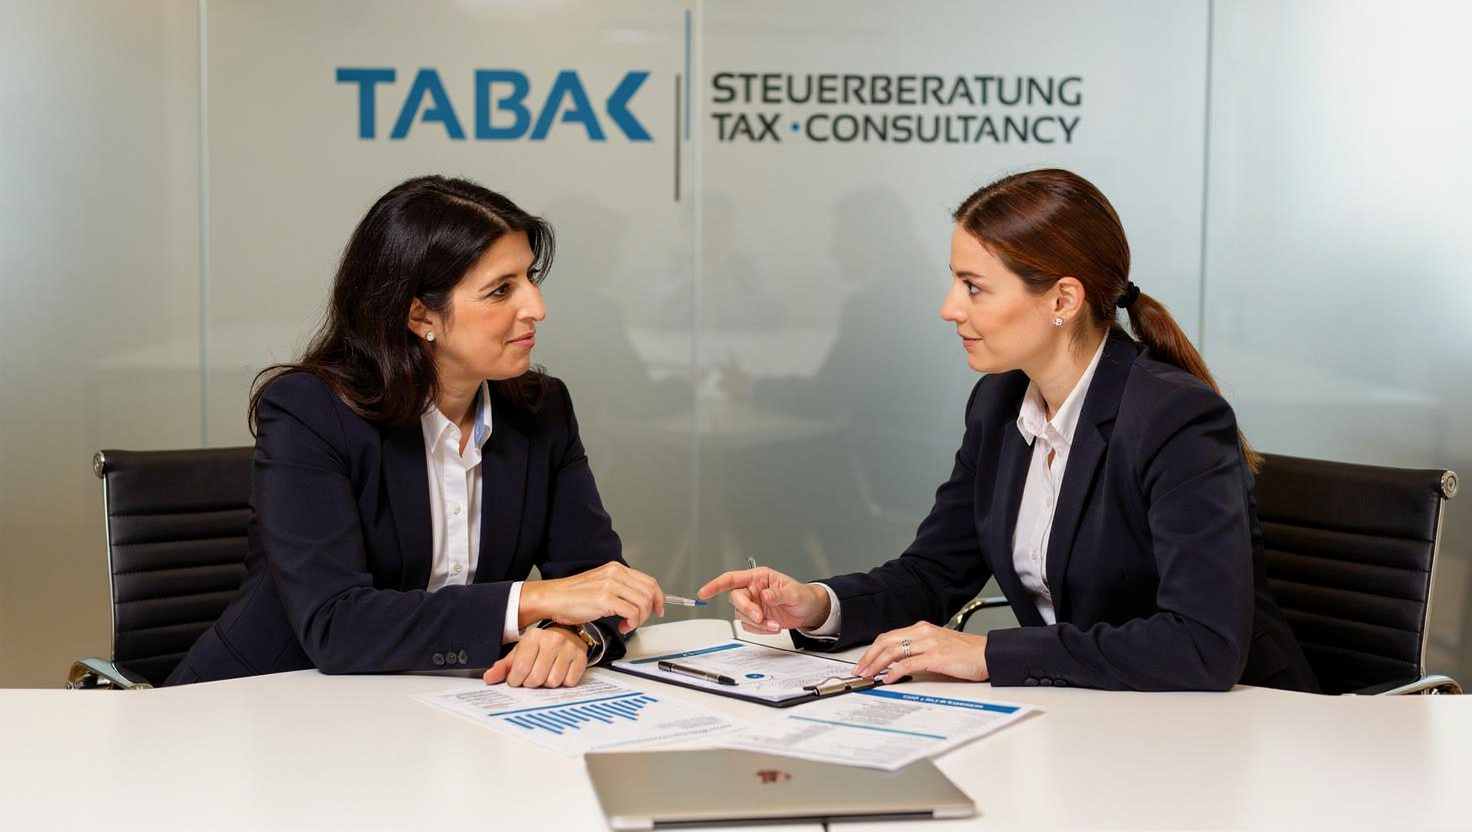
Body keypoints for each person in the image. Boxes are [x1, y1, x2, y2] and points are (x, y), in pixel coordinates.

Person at [700, 169, 1318, 693]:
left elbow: (1201, 644)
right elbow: (934, 573)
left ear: (1062, 300)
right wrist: (817, 605)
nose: (949, 307)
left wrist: (989, 654)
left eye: (973, 287)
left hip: (1231, 728)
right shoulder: (999, 404)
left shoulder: (1175, 418)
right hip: (1086, 717)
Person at [166, 176, 665, 688]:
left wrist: (572, 633)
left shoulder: (542, 410)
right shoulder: (309, 412)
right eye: (501, 290)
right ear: (419, 313)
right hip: (264, 700)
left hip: (438, 707)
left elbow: (601, 582)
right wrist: (535, 600)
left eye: (530, 277)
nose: (537, 307)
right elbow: (336, 624)